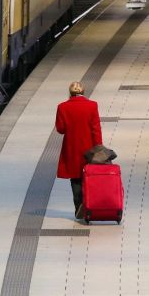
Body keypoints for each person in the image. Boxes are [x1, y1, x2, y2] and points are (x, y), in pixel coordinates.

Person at [55, 81, 102, 220]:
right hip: (89, 148)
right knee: (88, 177)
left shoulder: (62, 107)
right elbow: (96, 129)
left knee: (75, 178)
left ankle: (79, 207)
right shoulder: (92, 105)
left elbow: (60, 129)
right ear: (84, 91)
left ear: (70, 93)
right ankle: (89, 204)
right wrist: (99, 147)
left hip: (71, 148)